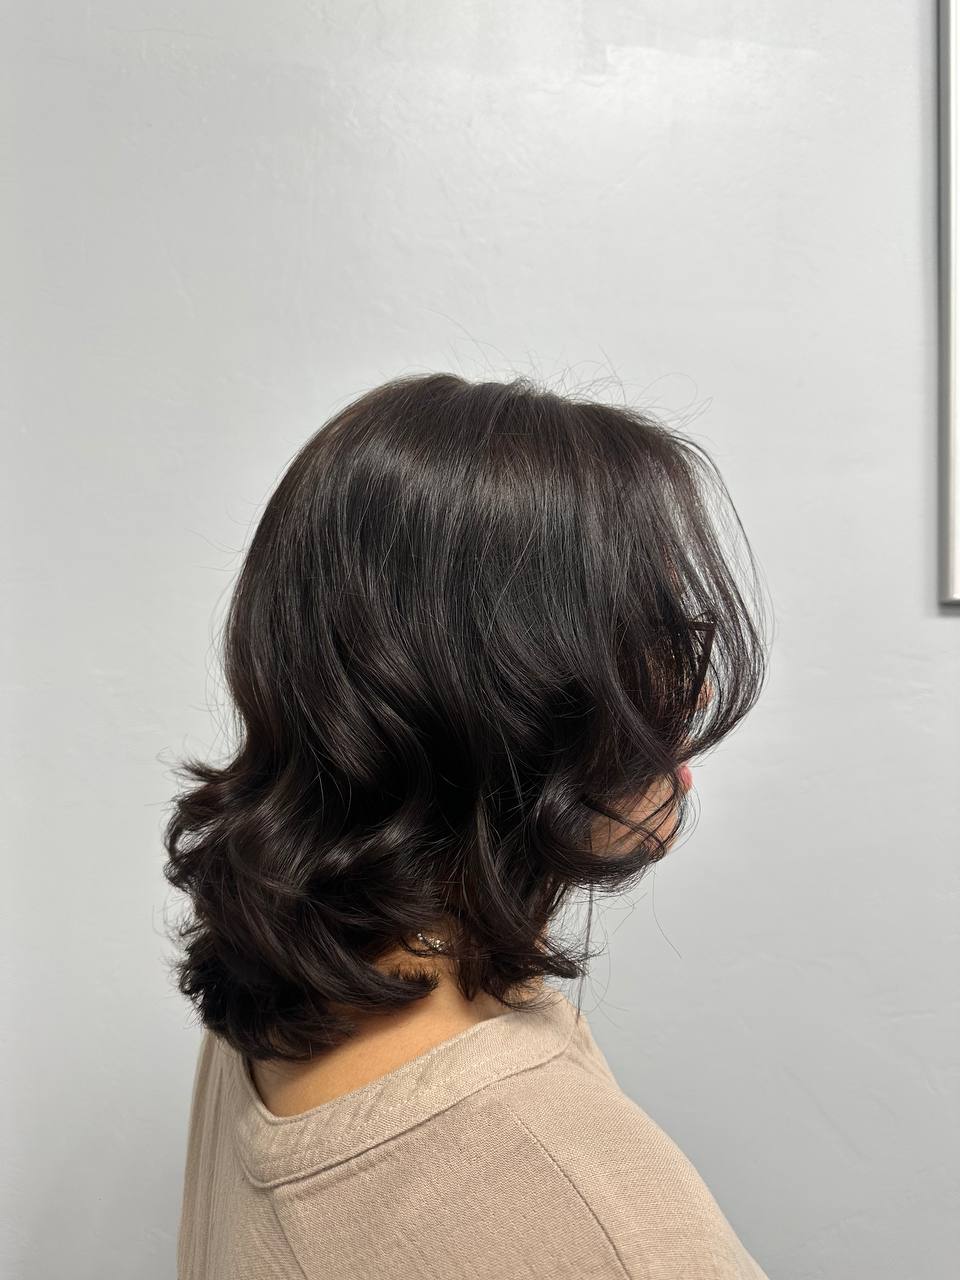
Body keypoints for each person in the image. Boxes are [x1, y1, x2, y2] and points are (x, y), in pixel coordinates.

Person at [165, 371, 772, 1278]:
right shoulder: (615, 1228)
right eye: (647, 639)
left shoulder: (284, 990)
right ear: (485, 687)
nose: (698, 691)